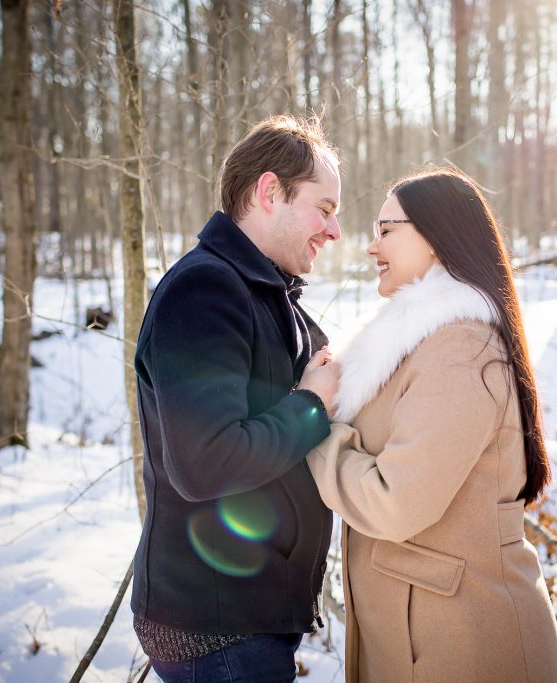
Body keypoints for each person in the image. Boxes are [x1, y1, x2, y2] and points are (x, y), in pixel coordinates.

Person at [307, 168, 557, 682]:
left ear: (436, 236)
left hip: (464, 639)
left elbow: (394, 502)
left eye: (386, 230)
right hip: (425, 629)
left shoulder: (462, 348)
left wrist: (313, 431)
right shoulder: (425, 341)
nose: (371, 246)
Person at [131, 115, 343, 682]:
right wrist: (311, 405)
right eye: (324, 209)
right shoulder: (204, 289)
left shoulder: (264, 291)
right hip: (217, 626)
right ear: (270, 192)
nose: (334, 231)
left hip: (247, 614)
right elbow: (205, 463)